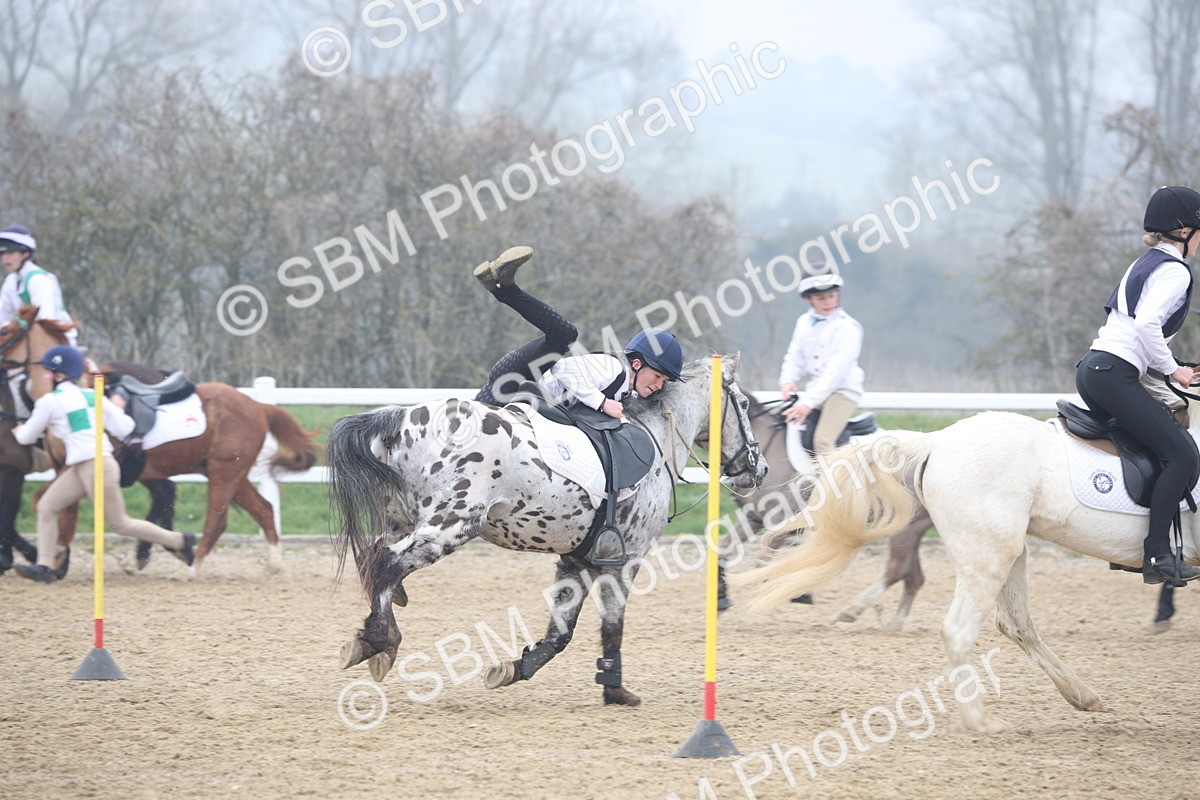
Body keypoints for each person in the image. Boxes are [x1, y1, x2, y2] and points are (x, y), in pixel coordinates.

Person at [1076, 185, 1200, 586]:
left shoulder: (1146, 262)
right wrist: (1174, 371)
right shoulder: (1175, 271)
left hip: (1096, 368)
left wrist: (1175, 364)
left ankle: (1123, 546)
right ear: (1183, 232)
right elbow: (1147, 324)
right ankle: (1157, 557)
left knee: (1154, 447)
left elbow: (1135, 330)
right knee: (1182, 455)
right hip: (1114, 373)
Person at [11, 345, 194, 583]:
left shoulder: (49, 402)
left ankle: (180, 541)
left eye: (49, 371)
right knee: (46, 506)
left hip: (95, 466)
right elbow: (126, 428)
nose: (46, 376)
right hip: (84, 465)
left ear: (59, 375)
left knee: (120, 523)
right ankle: (44, 565)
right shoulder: (92, 396)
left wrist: (18, 431)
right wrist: (112, 410)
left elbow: (26, 437)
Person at [472, 246, 683, 414]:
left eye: (664, 381)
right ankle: (506, 289)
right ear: (636, 364)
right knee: (566, 334)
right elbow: (562, 369)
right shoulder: (612, 368)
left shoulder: (626, 392)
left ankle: (498, 285)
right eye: (657, 376)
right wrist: (602, 403)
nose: (659, 385)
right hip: (513, 385)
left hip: (515, 402)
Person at [778, 266, 865, 455]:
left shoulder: (846, 327)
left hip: (842, 391)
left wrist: (807, 404)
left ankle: (833, 485)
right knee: (783, 426)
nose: (828, 302)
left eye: (831, 296)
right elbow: (795, 356)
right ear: (809, 298)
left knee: (823, 441)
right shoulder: (803, 322)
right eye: (821, 298)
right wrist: (787, 381)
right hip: (818, 390)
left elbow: (835, 372)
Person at [0, 225, 76, 345]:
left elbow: (44, 320)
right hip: (26, 342)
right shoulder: (11, 281)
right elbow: (3, 317)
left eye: (10, 252)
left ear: (25, 254)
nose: (5, 258)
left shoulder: (40, 280)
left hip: (58, 344)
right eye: (2, 253)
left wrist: (15, 325)